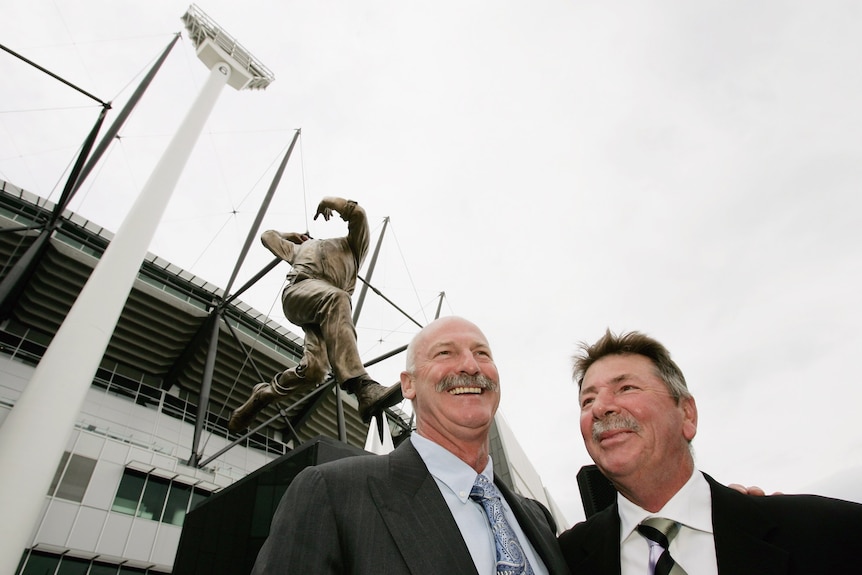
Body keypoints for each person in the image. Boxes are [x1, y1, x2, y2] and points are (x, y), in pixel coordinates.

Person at [251, 316, 571, 575]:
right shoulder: (332, 495)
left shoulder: (538, 518)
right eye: (445, 353)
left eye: (482, 354)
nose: (471, 366)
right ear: (408, 384)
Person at [557, 329, 862, 574]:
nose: (600, 407)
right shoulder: (564, 560)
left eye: (626, 388)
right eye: (588, 400)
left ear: (687, 414)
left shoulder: (830, 533)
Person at [229, 196, 401, 432]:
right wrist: (290, 235)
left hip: (326, 312)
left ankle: (262, 396)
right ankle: (363, 387)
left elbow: (358, 214)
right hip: (301, 292)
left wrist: (329, 201)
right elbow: (267, 236)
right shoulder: (300, 248)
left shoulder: (352, 247)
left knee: (315, 371)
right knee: (338, 298)